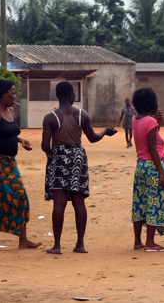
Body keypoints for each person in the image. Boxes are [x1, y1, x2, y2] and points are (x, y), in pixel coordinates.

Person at [42, 82, 117, 254]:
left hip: (59, 158)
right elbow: (92, 138)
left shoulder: (51, 117)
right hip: (78, 157)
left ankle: (57, 245)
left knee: (59, 203)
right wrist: (105, 131)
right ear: (71, 95)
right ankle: (80, 244)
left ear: (57, 96)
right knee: (79, 201)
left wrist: (51, 153)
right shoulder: (83, 115)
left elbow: (45, 145)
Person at [0, 79, 42, 250]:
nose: (15, 96)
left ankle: (23, 240)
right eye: (12, 93)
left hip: (9, 162)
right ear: (2, 95)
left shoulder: (11, 111)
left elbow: (7, 134)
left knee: (20, 195)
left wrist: (21, 140)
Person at [131, 88, 164, 252]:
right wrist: (162, 172)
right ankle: (150, 242)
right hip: (153, 166)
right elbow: (153, 148)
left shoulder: (136, 119)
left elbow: (152, 139)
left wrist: (158, 123)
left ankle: (138, 241)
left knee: (139, 202)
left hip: (141, 166)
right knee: (154, 202)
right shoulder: (150, 121)